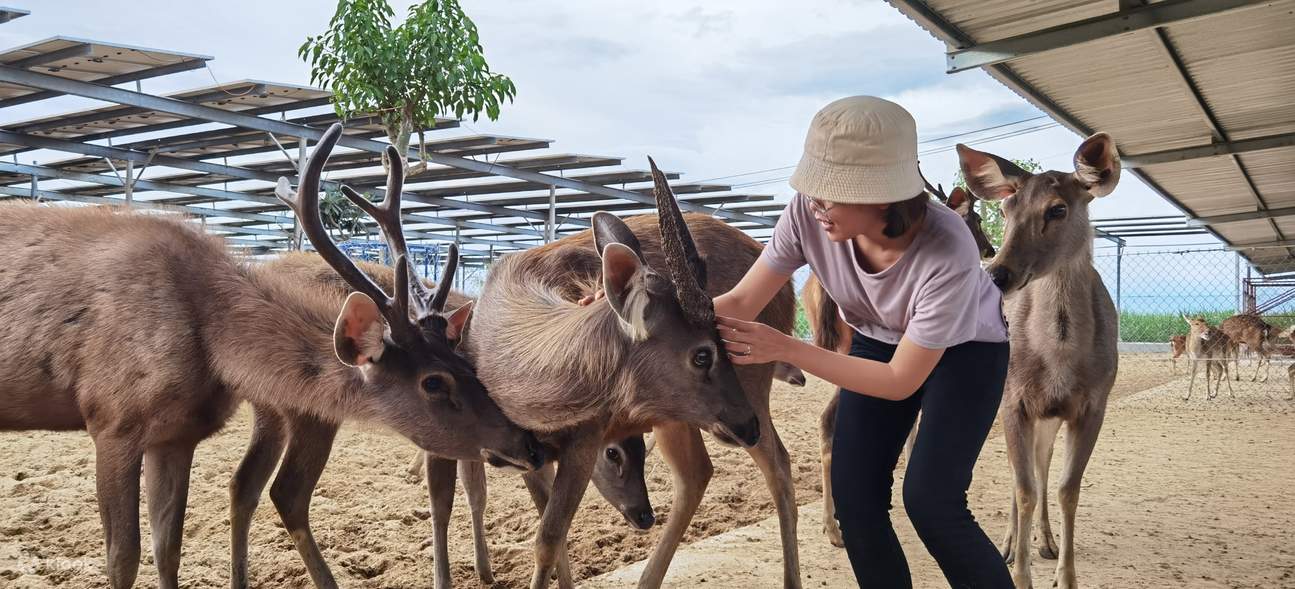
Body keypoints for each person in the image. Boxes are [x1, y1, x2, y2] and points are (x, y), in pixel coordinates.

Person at [588, 96, 1012, 587]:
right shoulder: (807, 216)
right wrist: (627, 314)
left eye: (832, 193)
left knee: (933, 503)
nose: (815, 203)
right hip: (877, 337)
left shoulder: (947, 247)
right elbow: (740, 302)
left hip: (965, 352)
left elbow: (900, 380)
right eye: (812, 188)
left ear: (884, 196)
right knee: (855, 498)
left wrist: (786, 347)